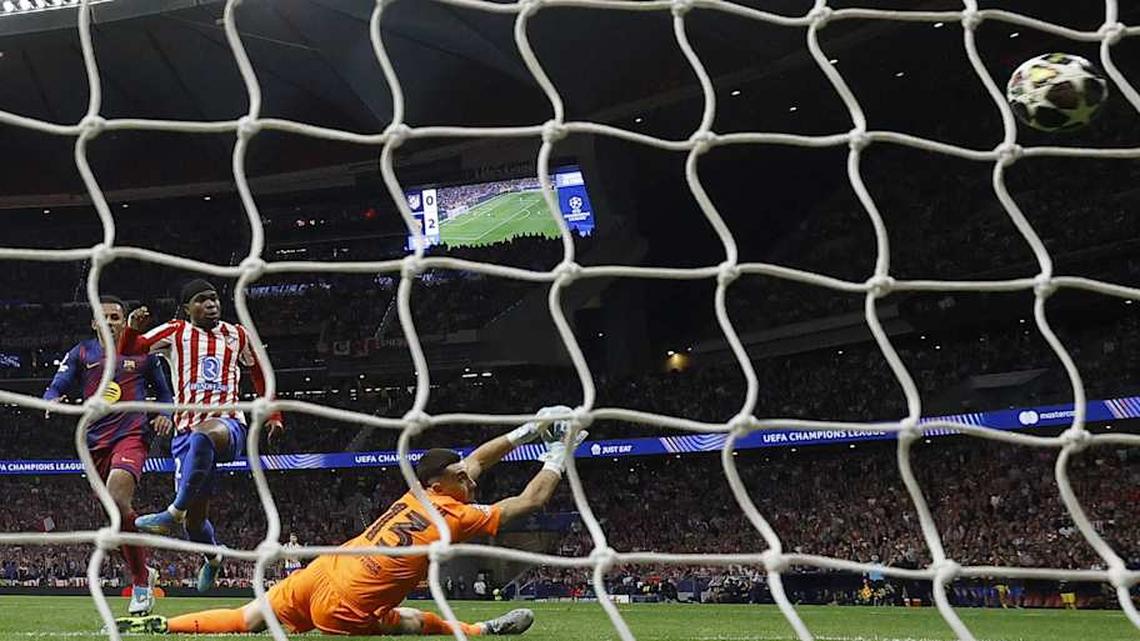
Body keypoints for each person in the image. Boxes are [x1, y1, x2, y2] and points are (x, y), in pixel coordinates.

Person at [114, 409, 583, 636]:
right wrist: (561, 447)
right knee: (412, 622)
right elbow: (531, 500)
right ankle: (482, 632)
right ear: (445, 481)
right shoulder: (454, 515)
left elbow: (476, 461)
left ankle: (165, 626)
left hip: (327, 568)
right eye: (462, 476)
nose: (471, 478)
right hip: (349, 601)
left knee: (249, 618)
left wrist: (530, 429)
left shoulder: (420, 492)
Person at [117, 279, 285, 592]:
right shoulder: (175, 332)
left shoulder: (236, 334)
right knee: (195, 525)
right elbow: (129, 353)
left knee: (204, 436)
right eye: (202, 300)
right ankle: (213, 557)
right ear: (186, 308)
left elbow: (260, 371)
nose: (211, 305)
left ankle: (172, 512)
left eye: (214, 299)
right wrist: (132, 328)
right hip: (184, 435)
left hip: (228, 425)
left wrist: (273, 413)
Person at [43, 295, 174, 616]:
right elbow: (57, 383)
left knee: (118, 499)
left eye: (116, 317)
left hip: (131, 436)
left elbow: (166, 392)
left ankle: (141, 585)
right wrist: (52, 398)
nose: (111, 323)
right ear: (94, 323)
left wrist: (165, 413)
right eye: (105, 317)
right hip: (94, 443)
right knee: (118, 519)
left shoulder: (143, 354)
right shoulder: (82, 351)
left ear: (123, 321)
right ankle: (142, 560)